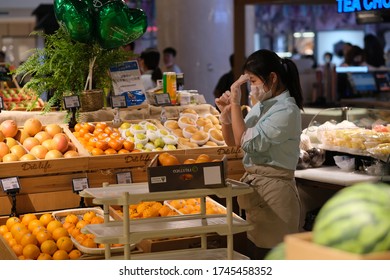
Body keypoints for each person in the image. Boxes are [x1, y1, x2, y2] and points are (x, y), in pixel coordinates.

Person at [215, 49, 303, 260]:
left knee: (271, 256)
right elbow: (233, 142)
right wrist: (226, 115)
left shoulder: (287, 111)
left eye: (253, 81)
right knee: (256, 254)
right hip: (257, 190)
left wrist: (236, 104)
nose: (252, 88)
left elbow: (244, 141)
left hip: (276, 193)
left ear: (272, 78)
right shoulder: (262, 106)